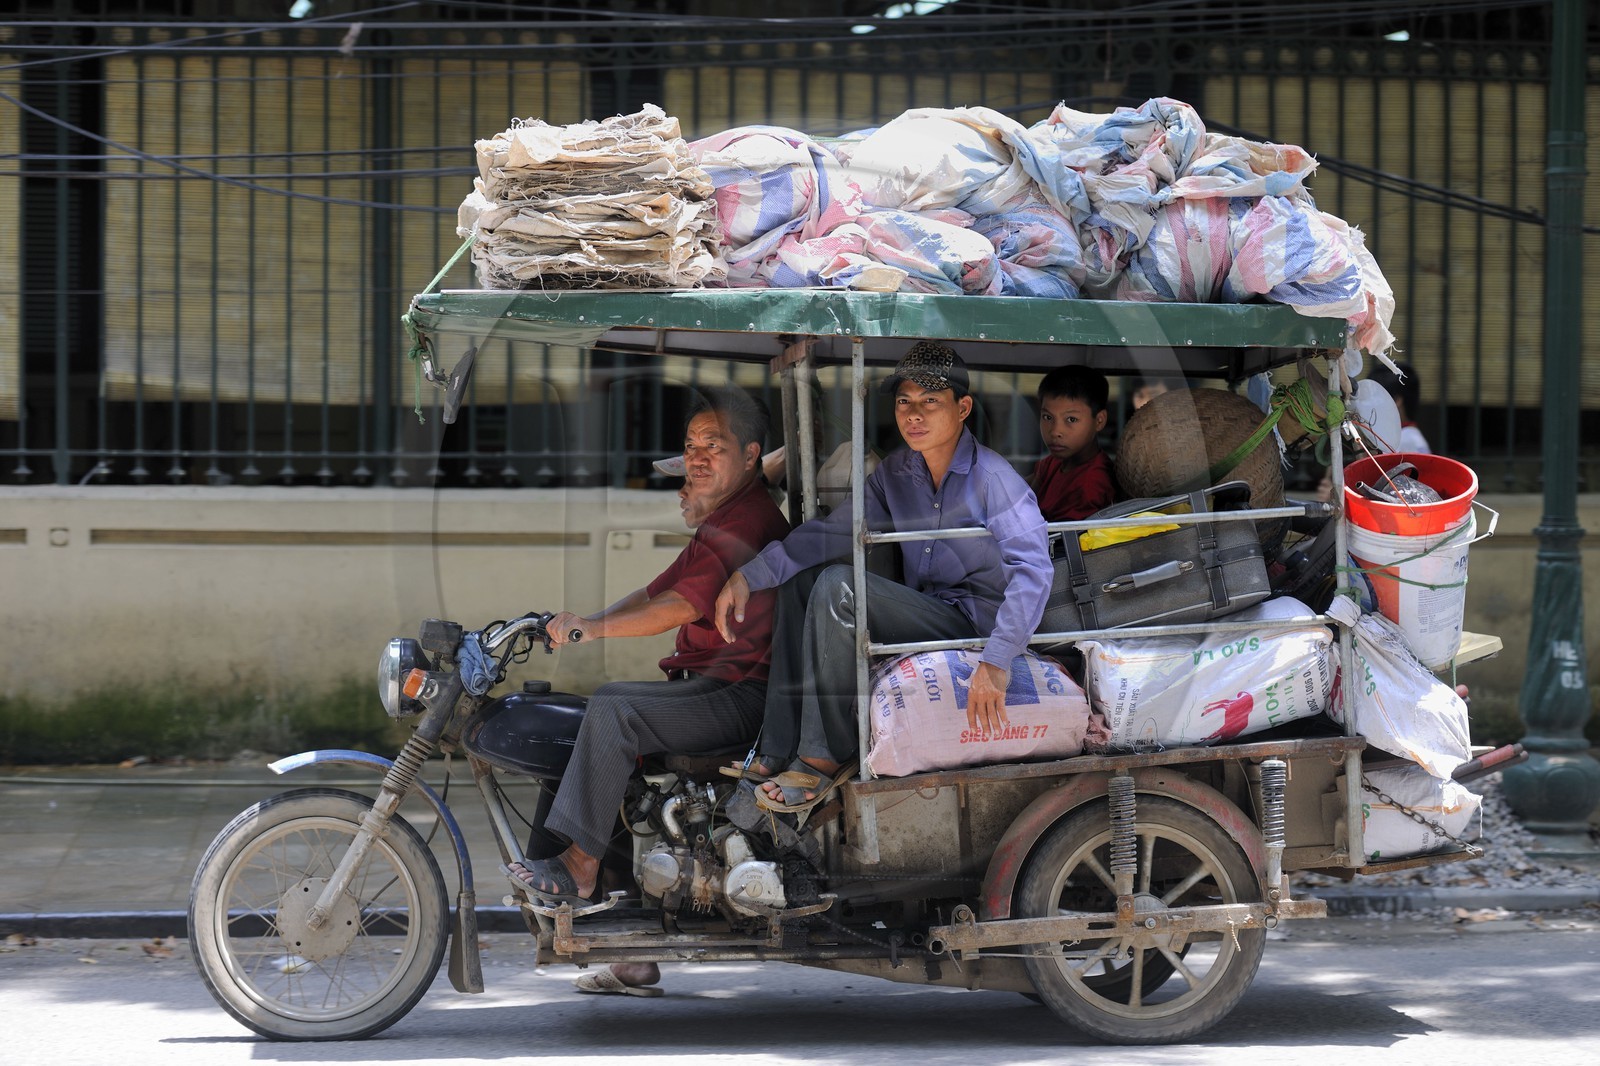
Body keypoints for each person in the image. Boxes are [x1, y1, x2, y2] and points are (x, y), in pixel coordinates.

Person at [503, 387, 790, 995]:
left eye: (715, 447)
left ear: (750, 457)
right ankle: (625, 948)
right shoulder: (717, 523)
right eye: (691, 448)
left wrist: (597, 628)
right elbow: (653, 593)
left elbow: (682, 606)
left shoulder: (747, 519)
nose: (699, 459)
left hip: (740, 697)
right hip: (707, 688)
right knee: (581, 728)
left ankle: (579, 872)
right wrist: (586, 621)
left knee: (615, 708)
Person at [712, 341, 1052, 810]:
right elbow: (833, 532)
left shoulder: (994, 479)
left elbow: (1034, 571)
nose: (914, 414)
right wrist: (750, 575)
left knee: (838, 587)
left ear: (963, 408)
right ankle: (776, 745)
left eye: (930, 401)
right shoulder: (894, 473)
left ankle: (821, 759)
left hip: (974, 624)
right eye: (904, 402)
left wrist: (997, 661)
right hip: (928, 611)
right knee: (801, 582)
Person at [1029, 365, 1118, 522]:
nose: (1055, 431)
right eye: (1048, 417)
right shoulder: (1054, 463)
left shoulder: (1092, 483)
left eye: (1071, 419)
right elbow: (1017, 493)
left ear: (1099, 421)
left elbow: (1064, 541)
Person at [1367, 361, 1431, 454]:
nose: (1369, 405)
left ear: (1397, 400)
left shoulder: (1404, 441)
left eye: (1375, 397)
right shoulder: (1409, 437)